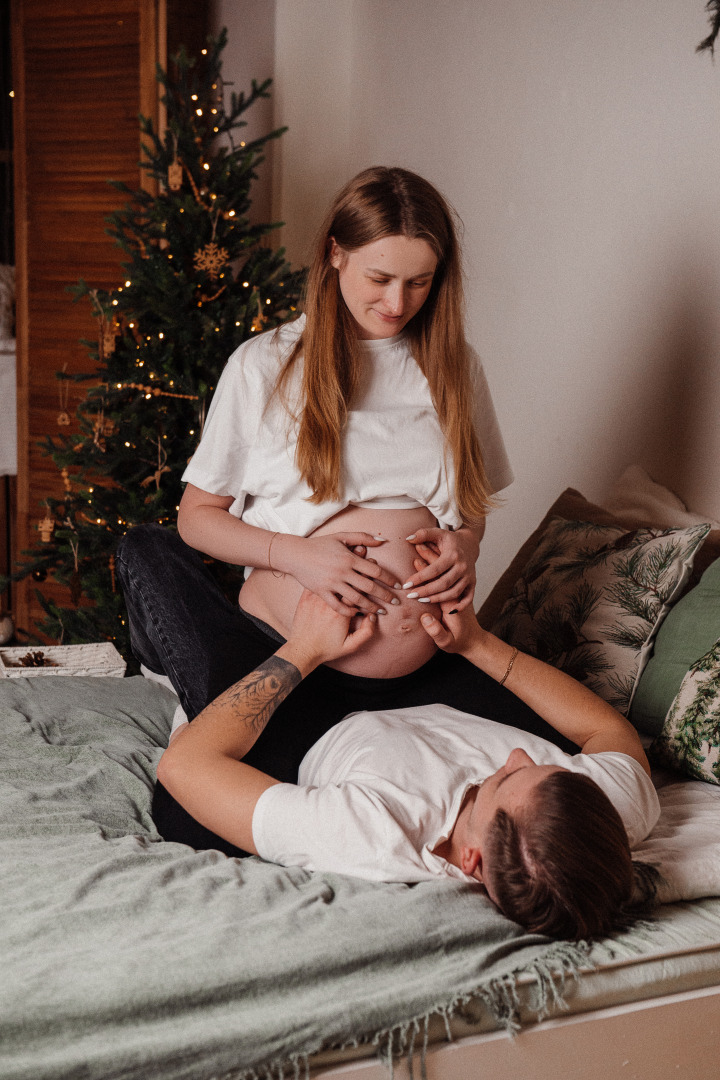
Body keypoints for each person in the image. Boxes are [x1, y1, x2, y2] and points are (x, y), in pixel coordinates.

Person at [116, 165, 530, 851]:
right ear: (336, 252)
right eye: (379, 277)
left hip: (419, 669)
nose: (398, 302)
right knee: (188, 814)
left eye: (419, 281)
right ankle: (192, 681)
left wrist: (467, 546)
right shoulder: (267, 365)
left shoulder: (456, 365)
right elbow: (197, 517)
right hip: (286, 653)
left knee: (568, 754)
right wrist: (301, 557)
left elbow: (471, 509)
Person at [157, 594, 660, 942]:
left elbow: (187, 766)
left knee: (150, 552)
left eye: (505, 779)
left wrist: (305, 647)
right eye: (550, 768)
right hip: (434, 706)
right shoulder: (607, 812)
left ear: (470, 861)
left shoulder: (373, 832)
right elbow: (609, 734)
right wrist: (478, 644)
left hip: (316, 728)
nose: (518, 757)